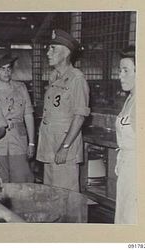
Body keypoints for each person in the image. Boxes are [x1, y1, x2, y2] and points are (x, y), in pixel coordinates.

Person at [36, 29, 90, 192]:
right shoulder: (54, 77)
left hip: (64, 147)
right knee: (51, 194)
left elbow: (79, 117)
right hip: (49, 144)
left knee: (66, 196)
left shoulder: (77, 79)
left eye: (53, 49)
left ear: (66, 53)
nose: (47, 52)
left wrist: (65, 147)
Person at [0, 53, 35, 183]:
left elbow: (28, 115)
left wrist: (31, 143)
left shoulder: (21, 88)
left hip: (19, 141)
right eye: (2, 69)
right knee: (1, 180)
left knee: (22, 179)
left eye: (9, 68)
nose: (6, 72)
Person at [114, 45, 137, 224]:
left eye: (126, 70)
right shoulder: (130, 98)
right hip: (126, 169)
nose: (120, 75)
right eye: (120, 70)